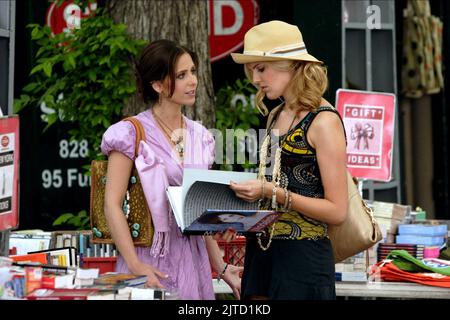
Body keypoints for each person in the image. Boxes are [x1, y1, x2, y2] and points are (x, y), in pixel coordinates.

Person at [101, 39, 242, 299]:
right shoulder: (130, 133)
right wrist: (134, 264)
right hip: (148, 257)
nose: (193, 81)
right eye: (181, 75)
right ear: (157, 85)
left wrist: (221, 267)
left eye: (192, 72)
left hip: (193, 259)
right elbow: (112, 204)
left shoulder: (201, 136)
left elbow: (199, 213)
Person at [229, 21, 348, 300]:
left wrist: (274, 193)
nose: (256, 79)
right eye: (252, 70)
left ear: (292, 65)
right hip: (261, 252)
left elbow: (338, 211)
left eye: (262, 68)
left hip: (303, 259)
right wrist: (238, 212)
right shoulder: (275, 115)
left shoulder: (324, 121)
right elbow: (270, 189)